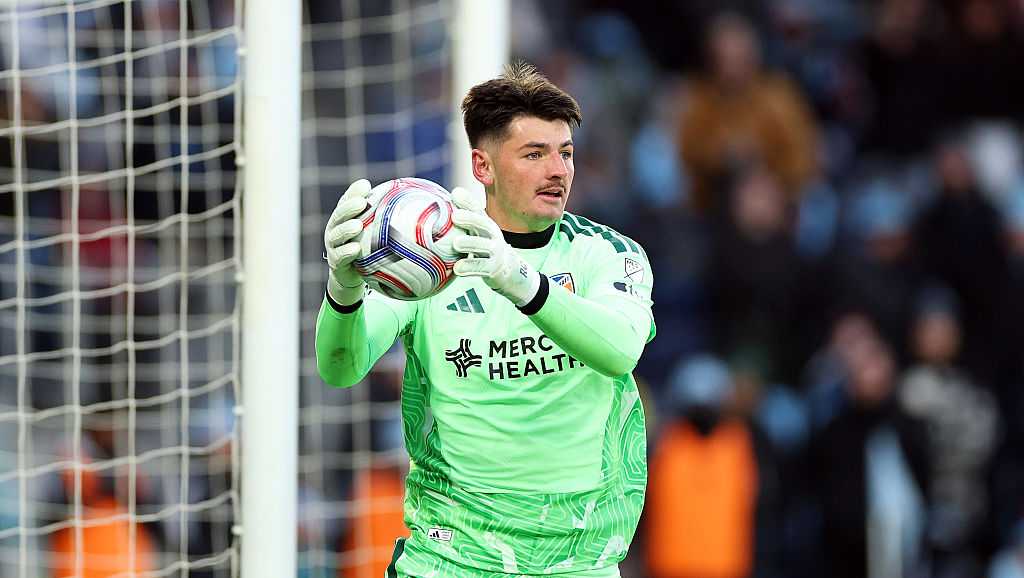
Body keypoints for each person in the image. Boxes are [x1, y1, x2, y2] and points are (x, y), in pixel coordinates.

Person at [315, 62, 655, 577]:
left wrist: (516, 279)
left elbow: (621, 350)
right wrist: (343, 289)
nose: (558, 170)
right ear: (483, 166)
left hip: (575, 559)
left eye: (565, 153)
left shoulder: (605, 254)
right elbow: (340, 368)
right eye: (534, 154)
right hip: (451, 557)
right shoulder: (426, 257)